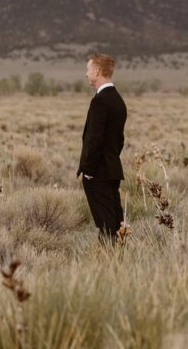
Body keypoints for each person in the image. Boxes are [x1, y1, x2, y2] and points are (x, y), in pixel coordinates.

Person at [77, 52, 128, 243]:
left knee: (106, 225)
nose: (86, 74)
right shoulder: (118, 100)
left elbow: (94, 139)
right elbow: (118, 140)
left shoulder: (100, 101)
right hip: (112, 169)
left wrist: (88, 170)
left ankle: (109, 262)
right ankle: (116, 260)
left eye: (88, 69)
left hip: (98, 173)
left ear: (97, 71)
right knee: (115, 221)